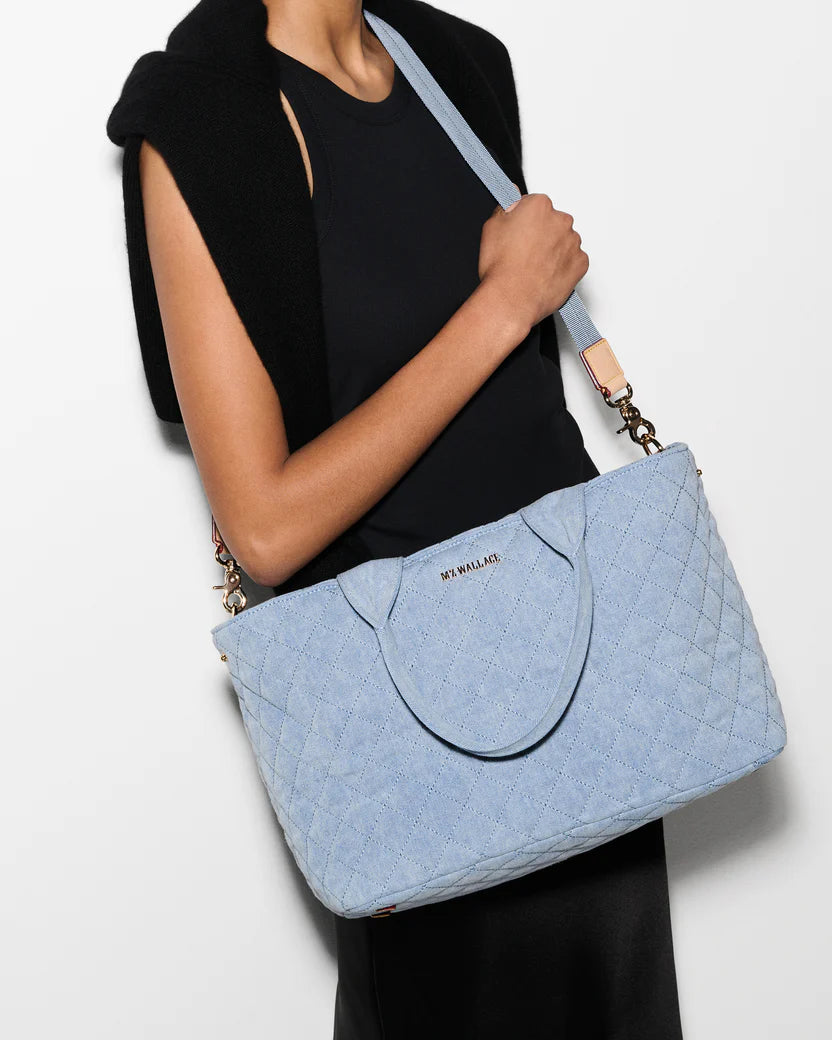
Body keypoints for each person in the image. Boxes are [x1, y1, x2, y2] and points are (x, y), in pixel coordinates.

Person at [106, 0, 684, 1035]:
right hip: (411, 730)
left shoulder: (462, 65)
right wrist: (503, 304)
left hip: (585, 684)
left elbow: (517, 410)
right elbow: (265, 527)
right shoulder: (202, 117)